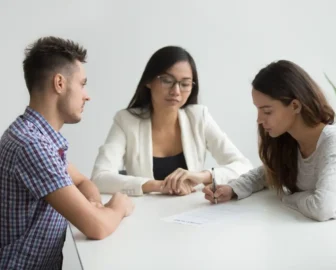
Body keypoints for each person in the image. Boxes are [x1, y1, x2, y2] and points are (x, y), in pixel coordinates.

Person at [0, 36, 134, 269]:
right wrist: (118, 206)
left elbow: (82, 181)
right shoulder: (33, 145)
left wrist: (94, 203)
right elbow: (97, 227)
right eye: (82, 84)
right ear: (59, 84)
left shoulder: (34, 135)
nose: (87, 95)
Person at [203, 60, 336, 242]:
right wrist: (233, 189)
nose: (259, 119)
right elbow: (266, 173)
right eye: (258, 110)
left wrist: (290, 198)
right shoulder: (290, 141)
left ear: (295, 106)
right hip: (317, 237)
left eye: (267, 111)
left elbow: (324, 208)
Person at [91, 46, 253, 196]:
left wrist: (201, 176)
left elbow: (244, 166)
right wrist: (160, 185)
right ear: (149, 81)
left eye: (185, 84)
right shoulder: (126, 121)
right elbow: (99, 178)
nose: (176, 91)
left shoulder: (198, 117)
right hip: (143, 215)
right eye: (167, 81)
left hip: (189, 214)